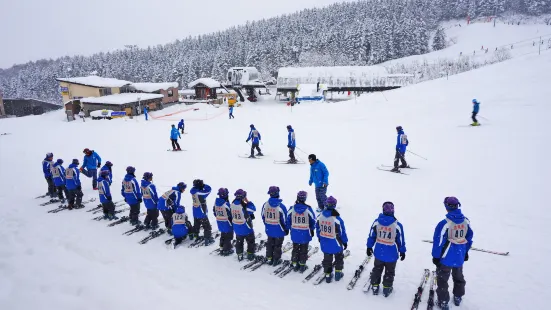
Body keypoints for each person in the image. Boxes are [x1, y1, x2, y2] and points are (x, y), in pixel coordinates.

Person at [432, 197, 474, 310]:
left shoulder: (444, 223)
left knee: (442, 279)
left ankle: (443, 301)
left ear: (447, 207)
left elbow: (438, 242)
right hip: (459, 255)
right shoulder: (465, 221)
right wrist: (465, 251)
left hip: (446, 257)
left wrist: (436, 257)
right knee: (458, 276)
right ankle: (458, 296)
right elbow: (469, 238)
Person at [366, 201, 407, 297]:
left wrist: (369, 246)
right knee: (389, 272)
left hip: (379, 252)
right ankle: (386, 288)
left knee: (377, 269)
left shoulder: (376, 222)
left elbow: (372, 236)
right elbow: (400, 240)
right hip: (391, 255)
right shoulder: (397, 225)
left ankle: (375, 286)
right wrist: (402, 251)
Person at [316, 196, 348, 283]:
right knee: (339, 258)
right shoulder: (337, 219)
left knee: (327, 259)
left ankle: (327, 275)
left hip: (325, 243)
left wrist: (319, 237)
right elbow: (342, 232)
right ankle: (338, 273)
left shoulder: (320, 217)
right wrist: (345, 242)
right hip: (336, 243)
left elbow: (318, 229)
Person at [287, 191, 316, 272]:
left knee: (295, 249)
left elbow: (287, 220)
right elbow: (313, 221)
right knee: (304, 250)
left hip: (295, 233)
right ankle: (302, 265)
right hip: (305, 234)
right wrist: (312, 229)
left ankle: (295, 263)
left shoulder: (292, 209)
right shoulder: (308, 209)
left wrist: (291, 228)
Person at [261, 186, 288, 266]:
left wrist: (267, 225)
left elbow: (263, 216)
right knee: (277, 246)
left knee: (269, 244)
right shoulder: (281, 207)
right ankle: (276, 259)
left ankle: (269, 258)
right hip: (279, 230)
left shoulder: (265, 205)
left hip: (269, 229)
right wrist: (286, 229)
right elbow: (285, 220)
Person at [231, 189, 257, 261]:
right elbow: (253, 209)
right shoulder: (244, 206)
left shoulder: (232, 204)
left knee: (239, 241)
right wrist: (248, 201)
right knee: (250, 241)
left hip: (237, 227)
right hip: (246, 228)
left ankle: (239, 254)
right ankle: (250, 254)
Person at [190, 179, 214, 245]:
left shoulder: (193, 191)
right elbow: (209, 190)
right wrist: (203, 185)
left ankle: (195, 235)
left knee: (196, 224)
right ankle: (207, 239)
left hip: (195, 210)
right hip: (201, 211)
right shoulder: (200, 193)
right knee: (207, 226)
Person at [213, 188, 234, 256]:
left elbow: (214, 212)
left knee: (223, 235)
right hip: (227, 223)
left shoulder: (215, 203)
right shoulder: (226, 204)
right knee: (228, 237)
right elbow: (231, 213)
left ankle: (221, 246)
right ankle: (226, 249)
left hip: (220, 222)